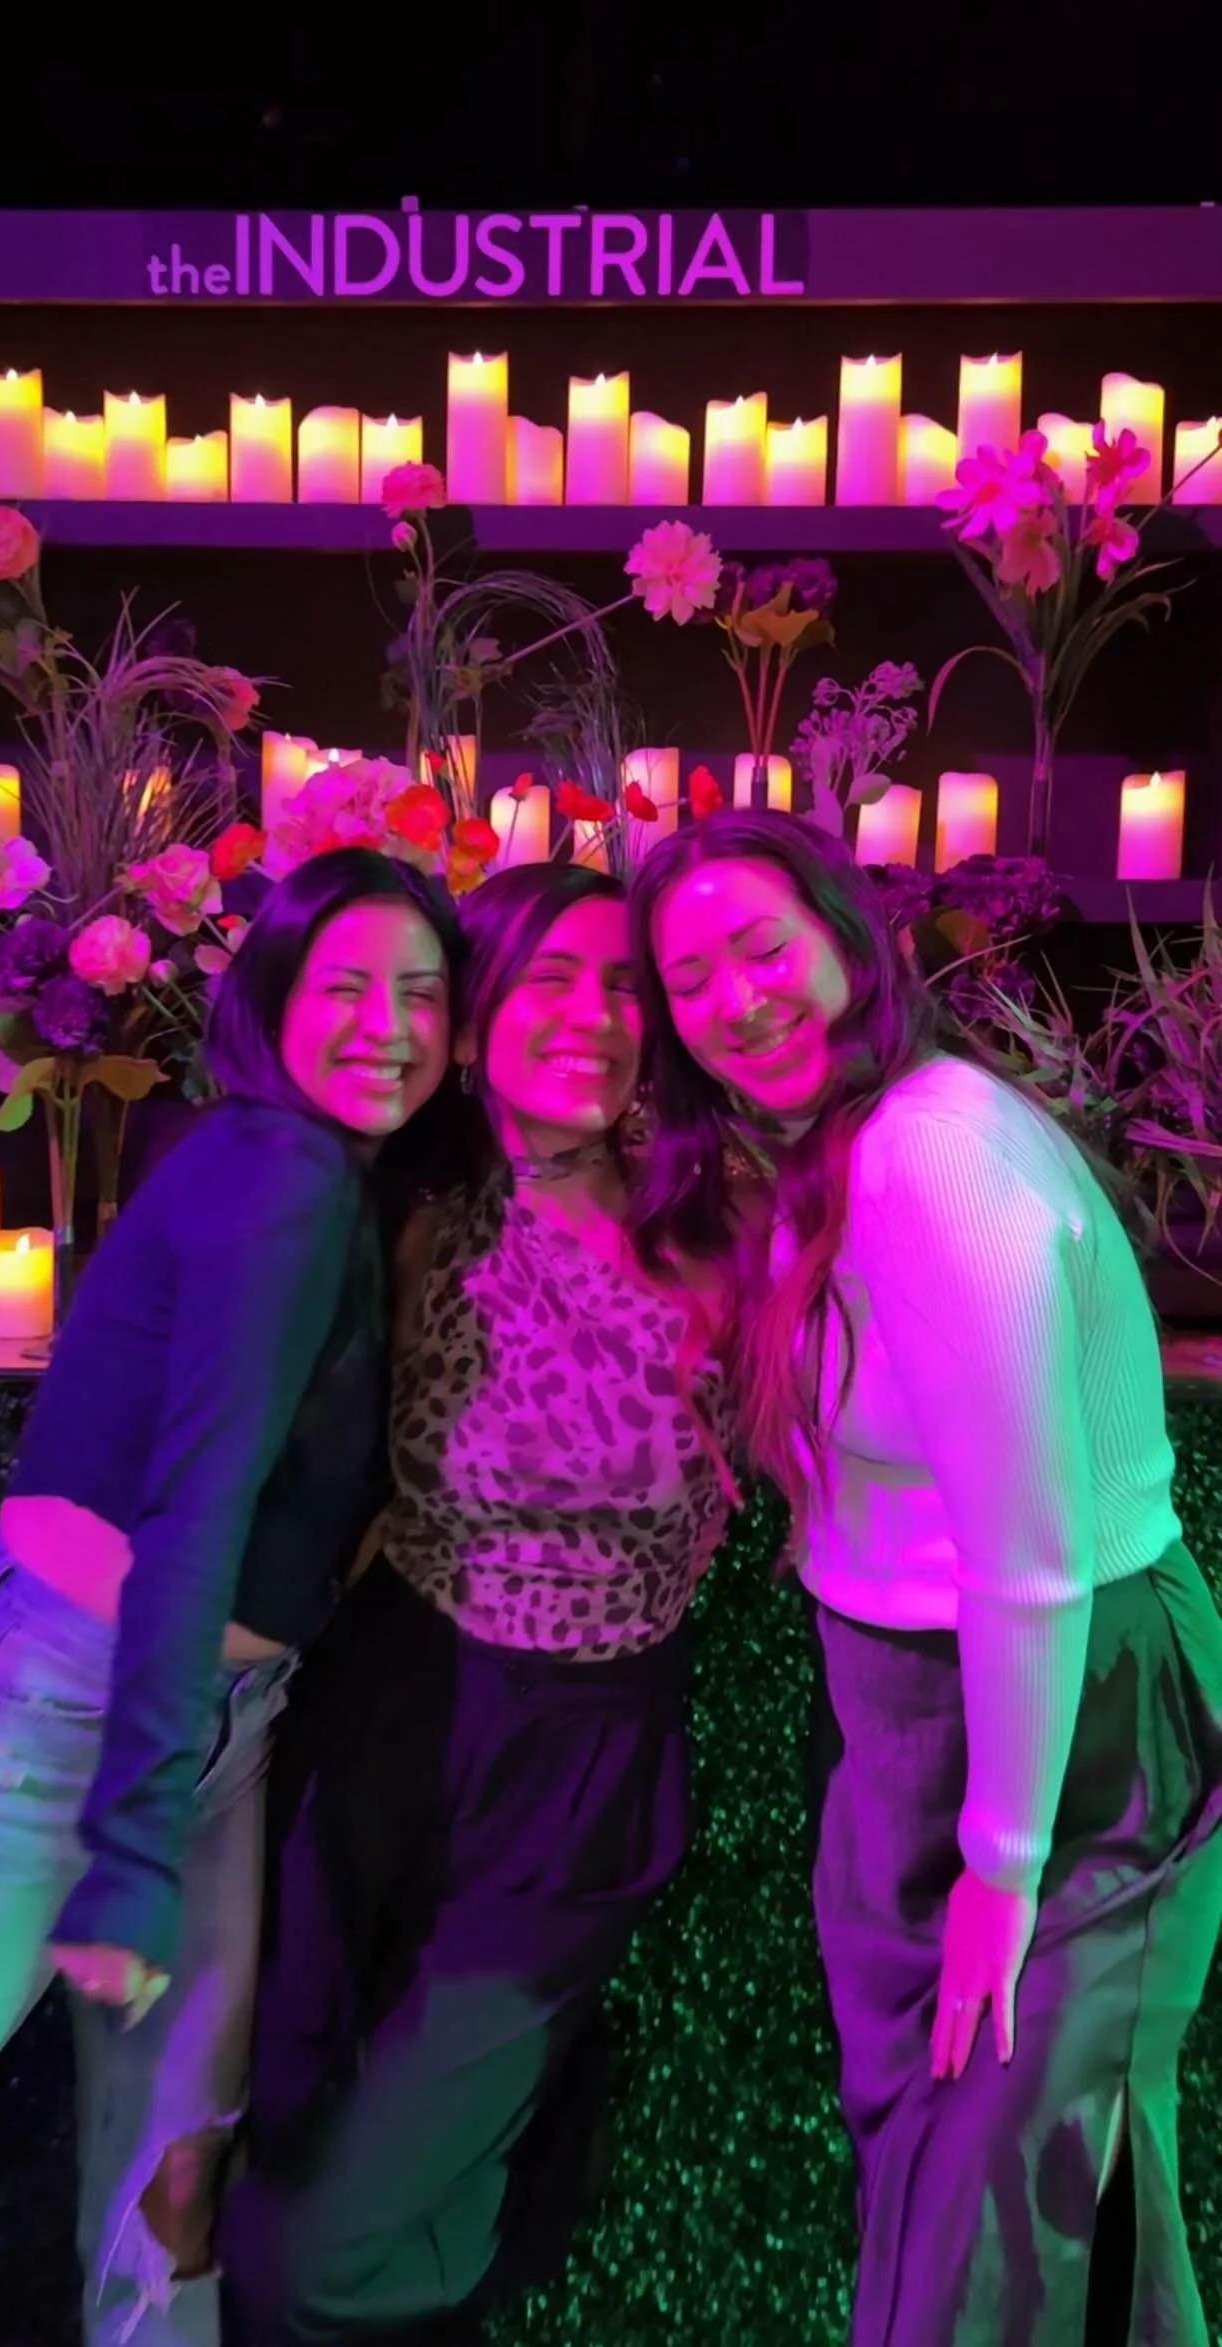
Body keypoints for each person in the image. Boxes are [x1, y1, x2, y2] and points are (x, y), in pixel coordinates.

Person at [626, 804, 1222, 2346]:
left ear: (848, 938)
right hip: (906, 1706)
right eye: (689, 978)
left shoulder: (927, 1154)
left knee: (998, 2194)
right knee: (977, 2178)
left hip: (1068, 1712)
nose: (735, 997)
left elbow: (1030, 1558)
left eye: (761, 946)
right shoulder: (816, 1158)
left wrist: (1001, 1866)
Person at [0, 846, 461, 2347]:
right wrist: (134, 1842)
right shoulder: (280, 1177)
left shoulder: (319, 1174)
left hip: (204, 1717)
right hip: (65, 1705)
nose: (390, 1026)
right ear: (269, 996)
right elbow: (194, 1510)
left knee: (174, 2193)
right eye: (347, 987)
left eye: (423, 992)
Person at [219, 860, 745, 2347]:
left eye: (623, 984)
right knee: (284, 2129)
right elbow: (261, 1448)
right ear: (470, 1018)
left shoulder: (719, 1228)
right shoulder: (397, 1212)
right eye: (548, 980)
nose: (594, 1015)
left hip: (577, 1775)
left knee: (316, 2240)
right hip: (379, 1731)